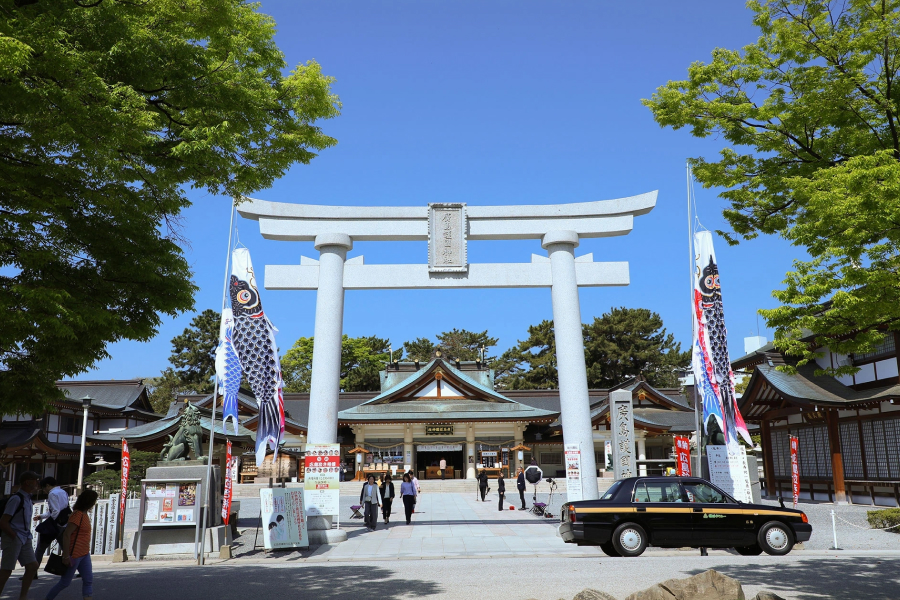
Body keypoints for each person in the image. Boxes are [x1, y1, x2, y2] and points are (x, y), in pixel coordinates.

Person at [44, 489, 98, 600]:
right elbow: (67, 534)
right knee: (64, 583)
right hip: (74, 554)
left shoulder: (84, 514)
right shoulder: (77, 515)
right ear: (89, 502)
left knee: (88, 580)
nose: (94, 503)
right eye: (93, 500)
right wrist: (66, 555)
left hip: (84, 553)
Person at [0, 471, 40, 600]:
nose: (37, 483)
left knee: (33, 566)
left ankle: (23, 596)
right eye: (35, 480)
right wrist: (13, 535)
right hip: (15, 536)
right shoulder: (17, 498)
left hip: (25, 536)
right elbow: (3, 521)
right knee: (6, 569)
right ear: (28, 482)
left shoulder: (28, 498)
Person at [31, 477, 71, 580]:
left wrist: (49, 522)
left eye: (44, 488)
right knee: (66, 548)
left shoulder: (52, 493)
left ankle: (32, 573)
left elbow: (55, 511)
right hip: (63, 524)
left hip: (54, 525)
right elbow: (62, 508)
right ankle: (77, 569)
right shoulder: (63, 492)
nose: (44, 491)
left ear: (48, 485)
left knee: (40, 549)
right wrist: (42, 516)